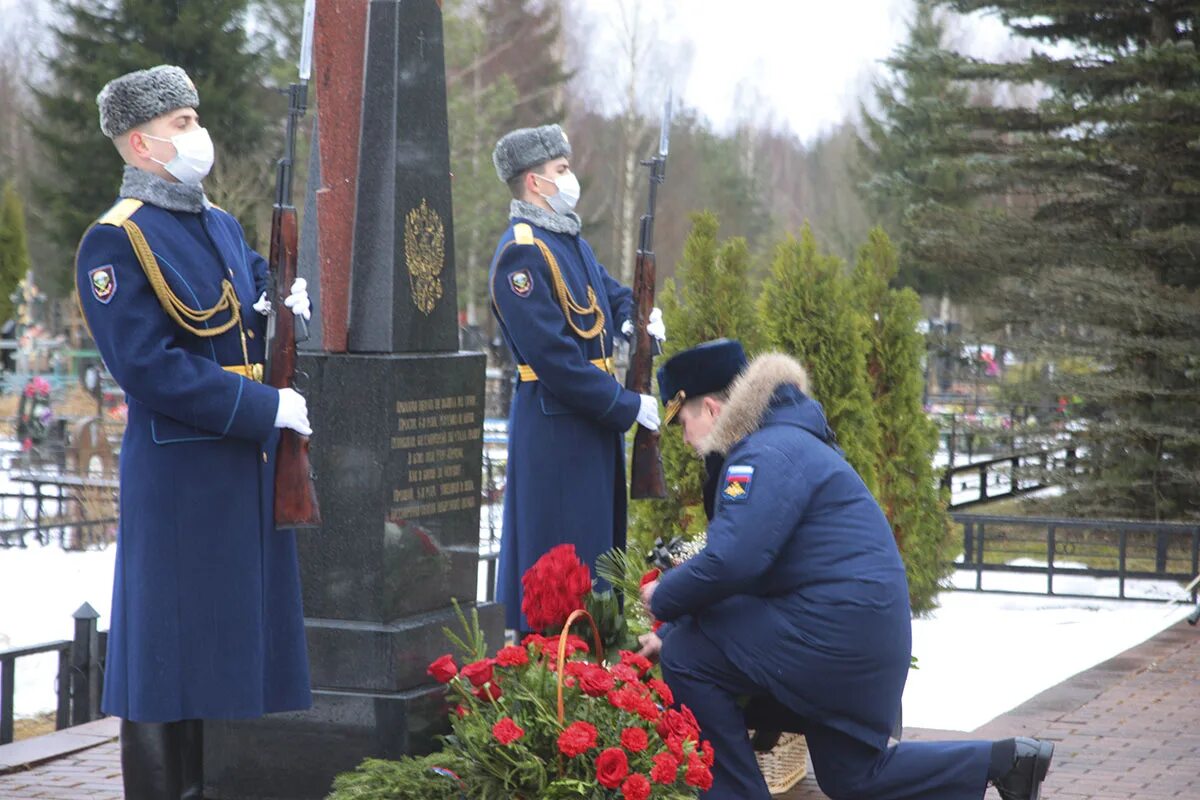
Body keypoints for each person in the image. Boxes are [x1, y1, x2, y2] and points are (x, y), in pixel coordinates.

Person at [638, 339, 1054, 800]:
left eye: (684, 421)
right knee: (853, 778)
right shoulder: (782, 443)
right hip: (855, 636)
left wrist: (664, 598)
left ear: (713, 410)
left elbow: (734, 562)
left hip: (834, 635)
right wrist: (675, 625)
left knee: (690, 657)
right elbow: (752, 574)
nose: (683, 436)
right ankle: (1005, 761)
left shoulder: (761, 455)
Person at [76, 65, 314, 799]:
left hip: (239, 469)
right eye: (181, 124)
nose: (197, 134)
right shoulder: (116, 241)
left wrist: (288, 308)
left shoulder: (219, 223)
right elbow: (148, 367)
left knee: (224, 651)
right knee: (164, 657)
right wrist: (260, 410)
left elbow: (249, 325)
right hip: (181, 476)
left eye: (194, 117)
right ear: (141, 145)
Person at [488, 124, 664, 632]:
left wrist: (637, 318)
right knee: (558, 566)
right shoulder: (521, 253)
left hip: (589, 428)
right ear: (535, 182)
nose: (571, 178)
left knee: (596, 562)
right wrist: (626, 405)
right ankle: (554, 676)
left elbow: (612, 294)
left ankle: (593, 670)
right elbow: (556, 360)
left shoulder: (569, 240)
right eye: (561, 170)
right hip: (556, 432)